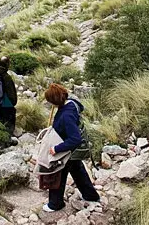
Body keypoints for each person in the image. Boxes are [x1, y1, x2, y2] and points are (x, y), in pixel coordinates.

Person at [43, 83, 100, 212]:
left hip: (67, 150)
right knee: (78, 171)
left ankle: (55, 204)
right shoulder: (71, 103)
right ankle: (91, 196)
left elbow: (75, 139)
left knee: (57, 174)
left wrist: (56, 149)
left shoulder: (66, 115)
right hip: (73, 152)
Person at [0, 56, 17, 135]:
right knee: (9, 118)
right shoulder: (6, 77)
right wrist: (12, 103)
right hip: (4, 102)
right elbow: (12, 95)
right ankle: (7, 137)